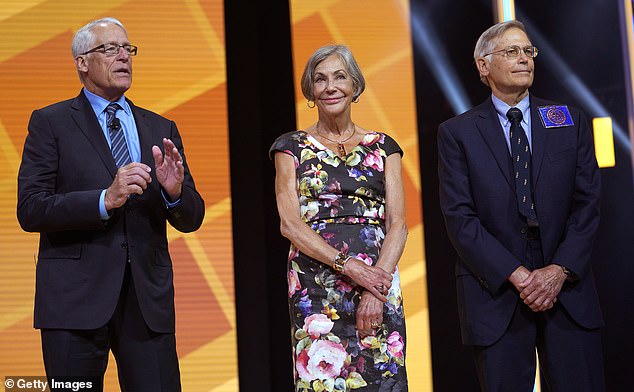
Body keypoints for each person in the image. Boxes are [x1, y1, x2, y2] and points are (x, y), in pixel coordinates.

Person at [17, 17, 205, 391]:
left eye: (128, 49)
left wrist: (173, 193)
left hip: (146, 304)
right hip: (74, 304)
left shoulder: (160, 128)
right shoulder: (50, 122)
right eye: (110, 49)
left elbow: (192, 216)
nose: (123, 57)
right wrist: (105, 199)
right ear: (81, 62)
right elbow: (31, 208)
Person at [437, 20, 605, 391]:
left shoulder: (568, 120)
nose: (524, 59)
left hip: (567, 285)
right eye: (511, 51)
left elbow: (588, 202)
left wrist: (558, 271)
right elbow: (460, 217)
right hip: (496, 287)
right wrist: (518, 275)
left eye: (528, 51)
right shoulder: (457, 133)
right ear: (483, 65)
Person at [270, 45, 408, 391]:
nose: (330, 86)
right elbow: (290, 224)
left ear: (355, 86)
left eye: (339, 77)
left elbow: (398, 225)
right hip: (317, 289)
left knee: (381, 380)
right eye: (320, 80)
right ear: (311, 92)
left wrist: (376, 289)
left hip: (379, 281)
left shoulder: (384, 147)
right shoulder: (291, 147)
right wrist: (350, 266)